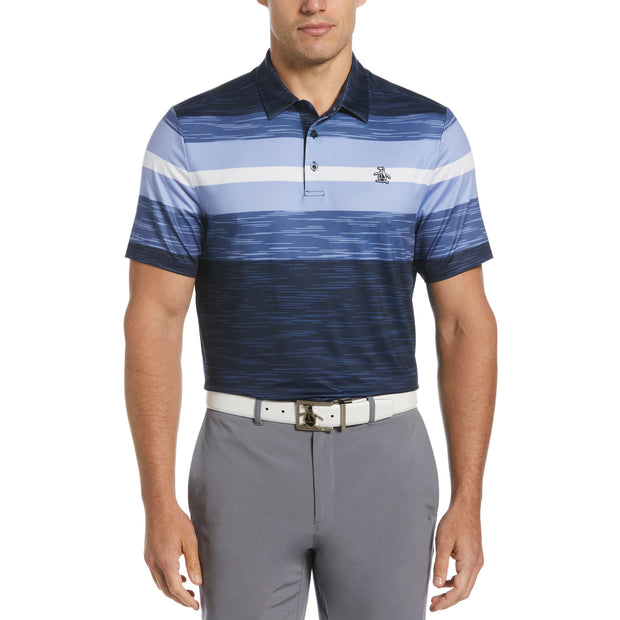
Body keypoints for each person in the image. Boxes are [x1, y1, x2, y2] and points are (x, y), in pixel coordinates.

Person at [123, 1, 497, 618]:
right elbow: (154, 321)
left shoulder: (429, 132)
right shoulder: (190, 132)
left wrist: (470, 498)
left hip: (387, 462)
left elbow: (464, 322)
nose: (314, 3)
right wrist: (157, 502)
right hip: (242, 460)